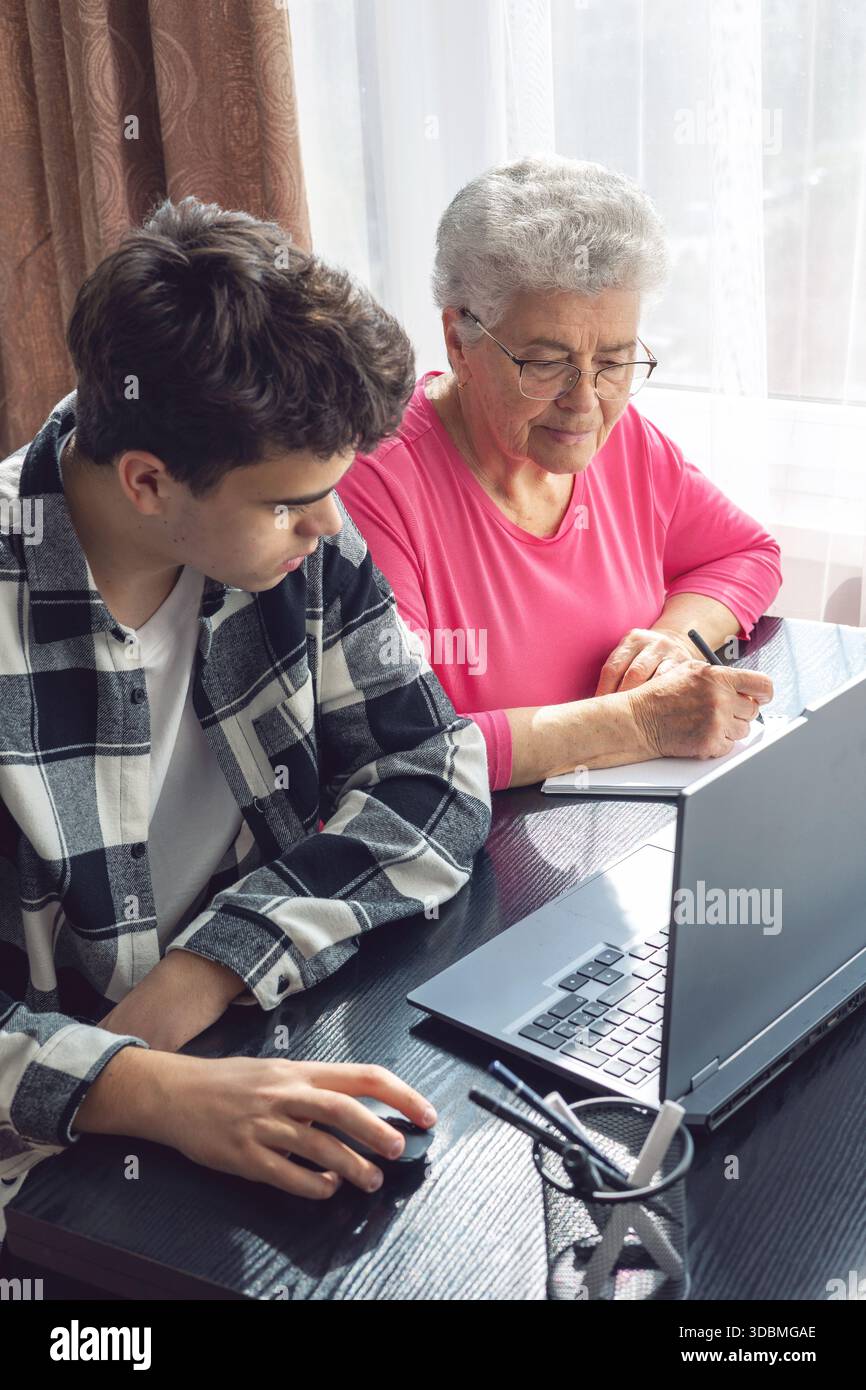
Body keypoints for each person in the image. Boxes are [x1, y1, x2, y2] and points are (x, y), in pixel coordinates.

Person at [0, 196, 491, 1243]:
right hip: (40, 1178)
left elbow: (434, 766)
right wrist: (154, 1089)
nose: (328, 523)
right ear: (146, 481)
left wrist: (208, 967)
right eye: (288, 503)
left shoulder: (295, 526)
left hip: (244, 1043)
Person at [337, 156, 781, 790]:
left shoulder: (619, 441)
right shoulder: (377, 482)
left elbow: (744, 554)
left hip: (609, 834)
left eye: (615, 360)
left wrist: (673, 640)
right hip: (472, 851)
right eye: (546, 363)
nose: (586, 400)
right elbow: (405, 742)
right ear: (459, 341)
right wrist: (641, 721)